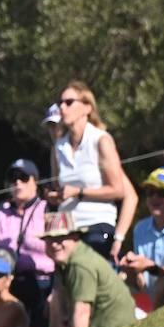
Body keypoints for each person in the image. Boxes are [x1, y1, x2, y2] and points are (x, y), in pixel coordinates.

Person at [47, 80, 138, 263]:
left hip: (96, 227)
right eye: (60, 103)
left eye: (69, 102)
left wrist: (78, 192)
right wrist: (55, 196)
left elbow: (119, 190)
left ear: (87, 108)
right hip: (67, 230)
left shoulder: (101, 140)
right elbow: (59, 190)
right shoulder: (58, 147)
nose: (62, 107)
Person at [35, 213, 137, 327]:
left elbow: (82, 311)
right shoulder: (67, 261)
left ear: (75, 237)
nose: (55, 244)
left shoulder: (80, 265)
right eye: (50, 239)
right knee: (54, 300)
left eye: (61, 238)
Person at [0, 158, 54, 327]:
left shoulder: (46, 208)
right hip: (9, 284)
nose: (17, 183)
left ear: (35, 181)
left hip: (42, 283)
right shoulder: (3, 211)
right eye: (13, 178)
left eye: (23, 178)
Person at [119, 168, 164, 311]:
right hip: (151, 302)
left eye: (162, 193)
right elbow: (142, 285)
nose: (154, 198)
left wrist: (150, 267)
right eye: (150, 192)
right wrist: (132, 271)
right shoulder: (140, 229)